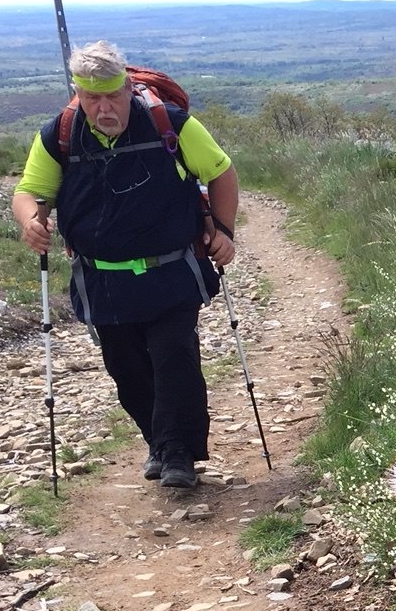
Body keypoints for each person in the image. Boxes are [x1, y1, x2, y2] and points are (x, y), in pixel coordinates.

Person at [12, 40, 237, 489]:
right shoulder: (60, 133)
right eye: (91, 97)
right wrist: (30, 221)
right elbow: (30, 192)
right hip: (102, 280)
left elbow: (221, 171)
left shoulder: (169, 124)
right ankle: (158, 442)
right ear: (78, 94)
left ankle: (178, 453)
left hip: (171, 270)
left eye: (112, 96)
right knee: (126, 367)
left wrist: (225, 230)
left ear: (128, 88)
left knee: (174, 358)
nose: (104, 108)